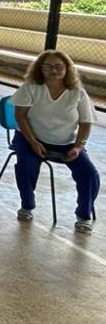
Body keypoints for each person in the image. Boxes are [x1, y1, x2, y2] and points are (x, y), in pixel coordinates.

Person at [11, 50, 98, 232]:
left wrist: (79, 147)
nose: (54, 70)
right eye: (48, 66)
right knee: (26, 164)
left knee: (89, 173)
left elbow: (85, 122)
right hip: (29, 138)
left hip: (66, 143)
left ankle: (84, 215)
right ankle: (27, 205)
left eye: (59, 66)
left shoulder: (78, 93)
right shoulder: (31, 87)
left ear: (67, 69)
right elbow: (20, 116)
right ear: (40, 69)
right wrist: (33, 142)